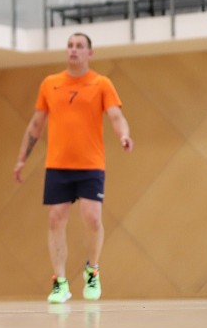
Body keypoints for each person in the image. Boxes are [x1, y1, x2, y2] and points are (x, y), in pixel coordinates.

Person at [13, 33, 134, 303]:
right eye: (70, 46)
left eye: (79, 46)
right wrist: (22, 158)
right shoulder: (50, 84)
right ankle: (60, 283)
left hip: (90, 164)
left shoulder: (101, 84)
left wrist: (124, 136)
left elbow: (116, 116)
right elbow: (36, 124)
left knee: (92, 218)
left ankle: (92, 270)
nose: (73, 50)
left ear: (90, 53)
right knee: (56, 219)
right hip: (58, 164)